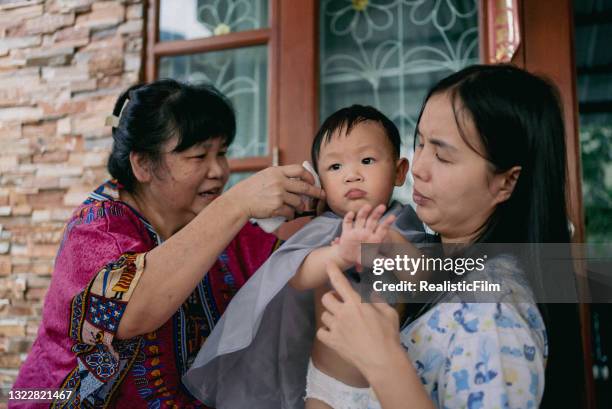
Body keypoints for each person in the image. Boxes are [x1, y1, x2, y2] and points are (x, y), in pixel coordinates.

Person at [11, 79, 324, 408]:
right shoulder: (97, 227)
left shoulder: (223, 228)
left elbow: (298, 273)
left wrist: (351, 221)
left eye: (222, 153)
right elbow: (130, 311)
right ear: (143, 164)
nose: (218, 170)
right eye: (198, 155)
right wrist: (237, 203)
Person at [315, 64, 582, 408]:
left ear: (507, 181)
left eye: (442, 155)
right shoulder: (435, 262)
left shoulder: (494, 315)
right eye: (421, 143)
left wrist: (382, 360)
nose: (420, 167)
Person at [182, 105, 430, 408]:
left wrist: (388, 243)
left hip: (394, 377)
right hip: (329, 381)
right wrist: (341, 252)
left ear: (399, 171)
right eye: (335, 167)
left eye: (367, 161)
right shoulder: (324, 230)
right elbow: (296, 275)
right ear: (321, 183)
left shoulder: (401, 224)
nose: (352, 175)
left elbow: (425, 280)